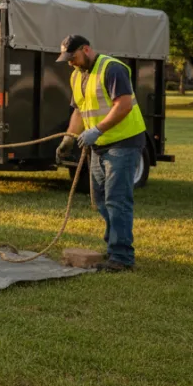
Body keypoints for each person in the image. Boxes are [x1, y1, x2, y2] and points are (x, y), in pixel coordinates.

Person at [55, 35, 146, 272]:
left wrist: (96, 129)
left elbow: (123, 105)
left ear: (86, 49)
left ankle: (122, 257)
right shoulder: (76, 75)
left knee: (117, 199)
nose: (70, 63)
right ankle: (115, 244)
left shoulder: (112, 68)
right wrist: (68, 139)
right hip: (99, 145)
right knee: (101, 201)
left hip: (123, 142)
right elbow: (78, 112)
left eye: (72, 57)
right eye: (66, 59)